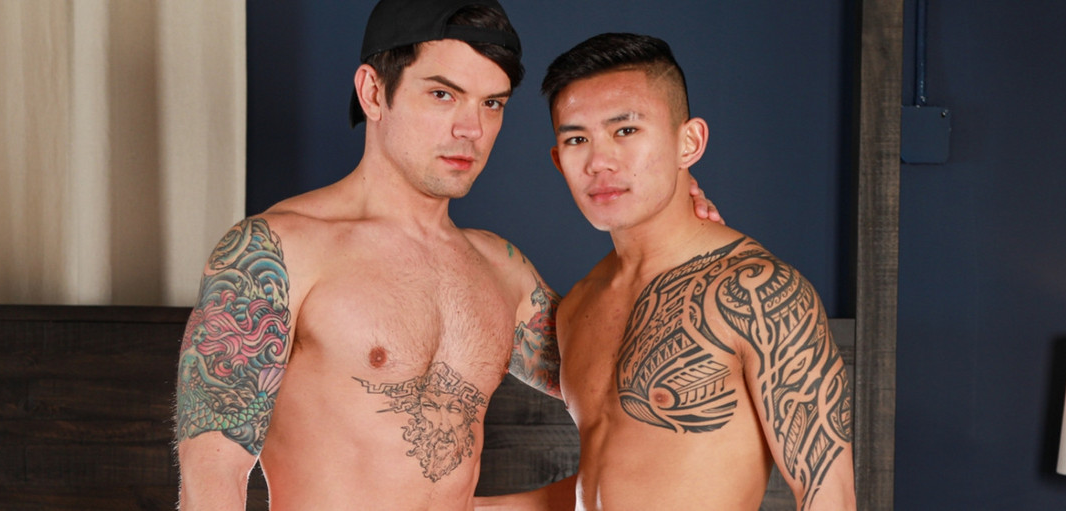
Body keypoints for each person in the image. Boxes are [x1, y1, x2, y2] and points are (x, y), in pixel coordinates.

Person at [172, 4, 718, 510]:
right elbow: (213, 475)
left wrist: (675, 236)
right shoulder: (277, 251)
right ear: (373, 92)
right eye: (442, 94)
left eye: (492, 103)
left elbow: (622, 377)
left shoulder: (501, 269)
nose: (471, 129)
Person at [538, 33, 855, 510]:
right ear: (559, 161)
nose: (599, 162)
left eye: (626, 131)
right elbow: (612, 487)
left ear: (689, 142)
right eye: (577, 139)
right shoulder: (579, 305)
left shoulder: (759, 292)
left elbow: (830, 499)